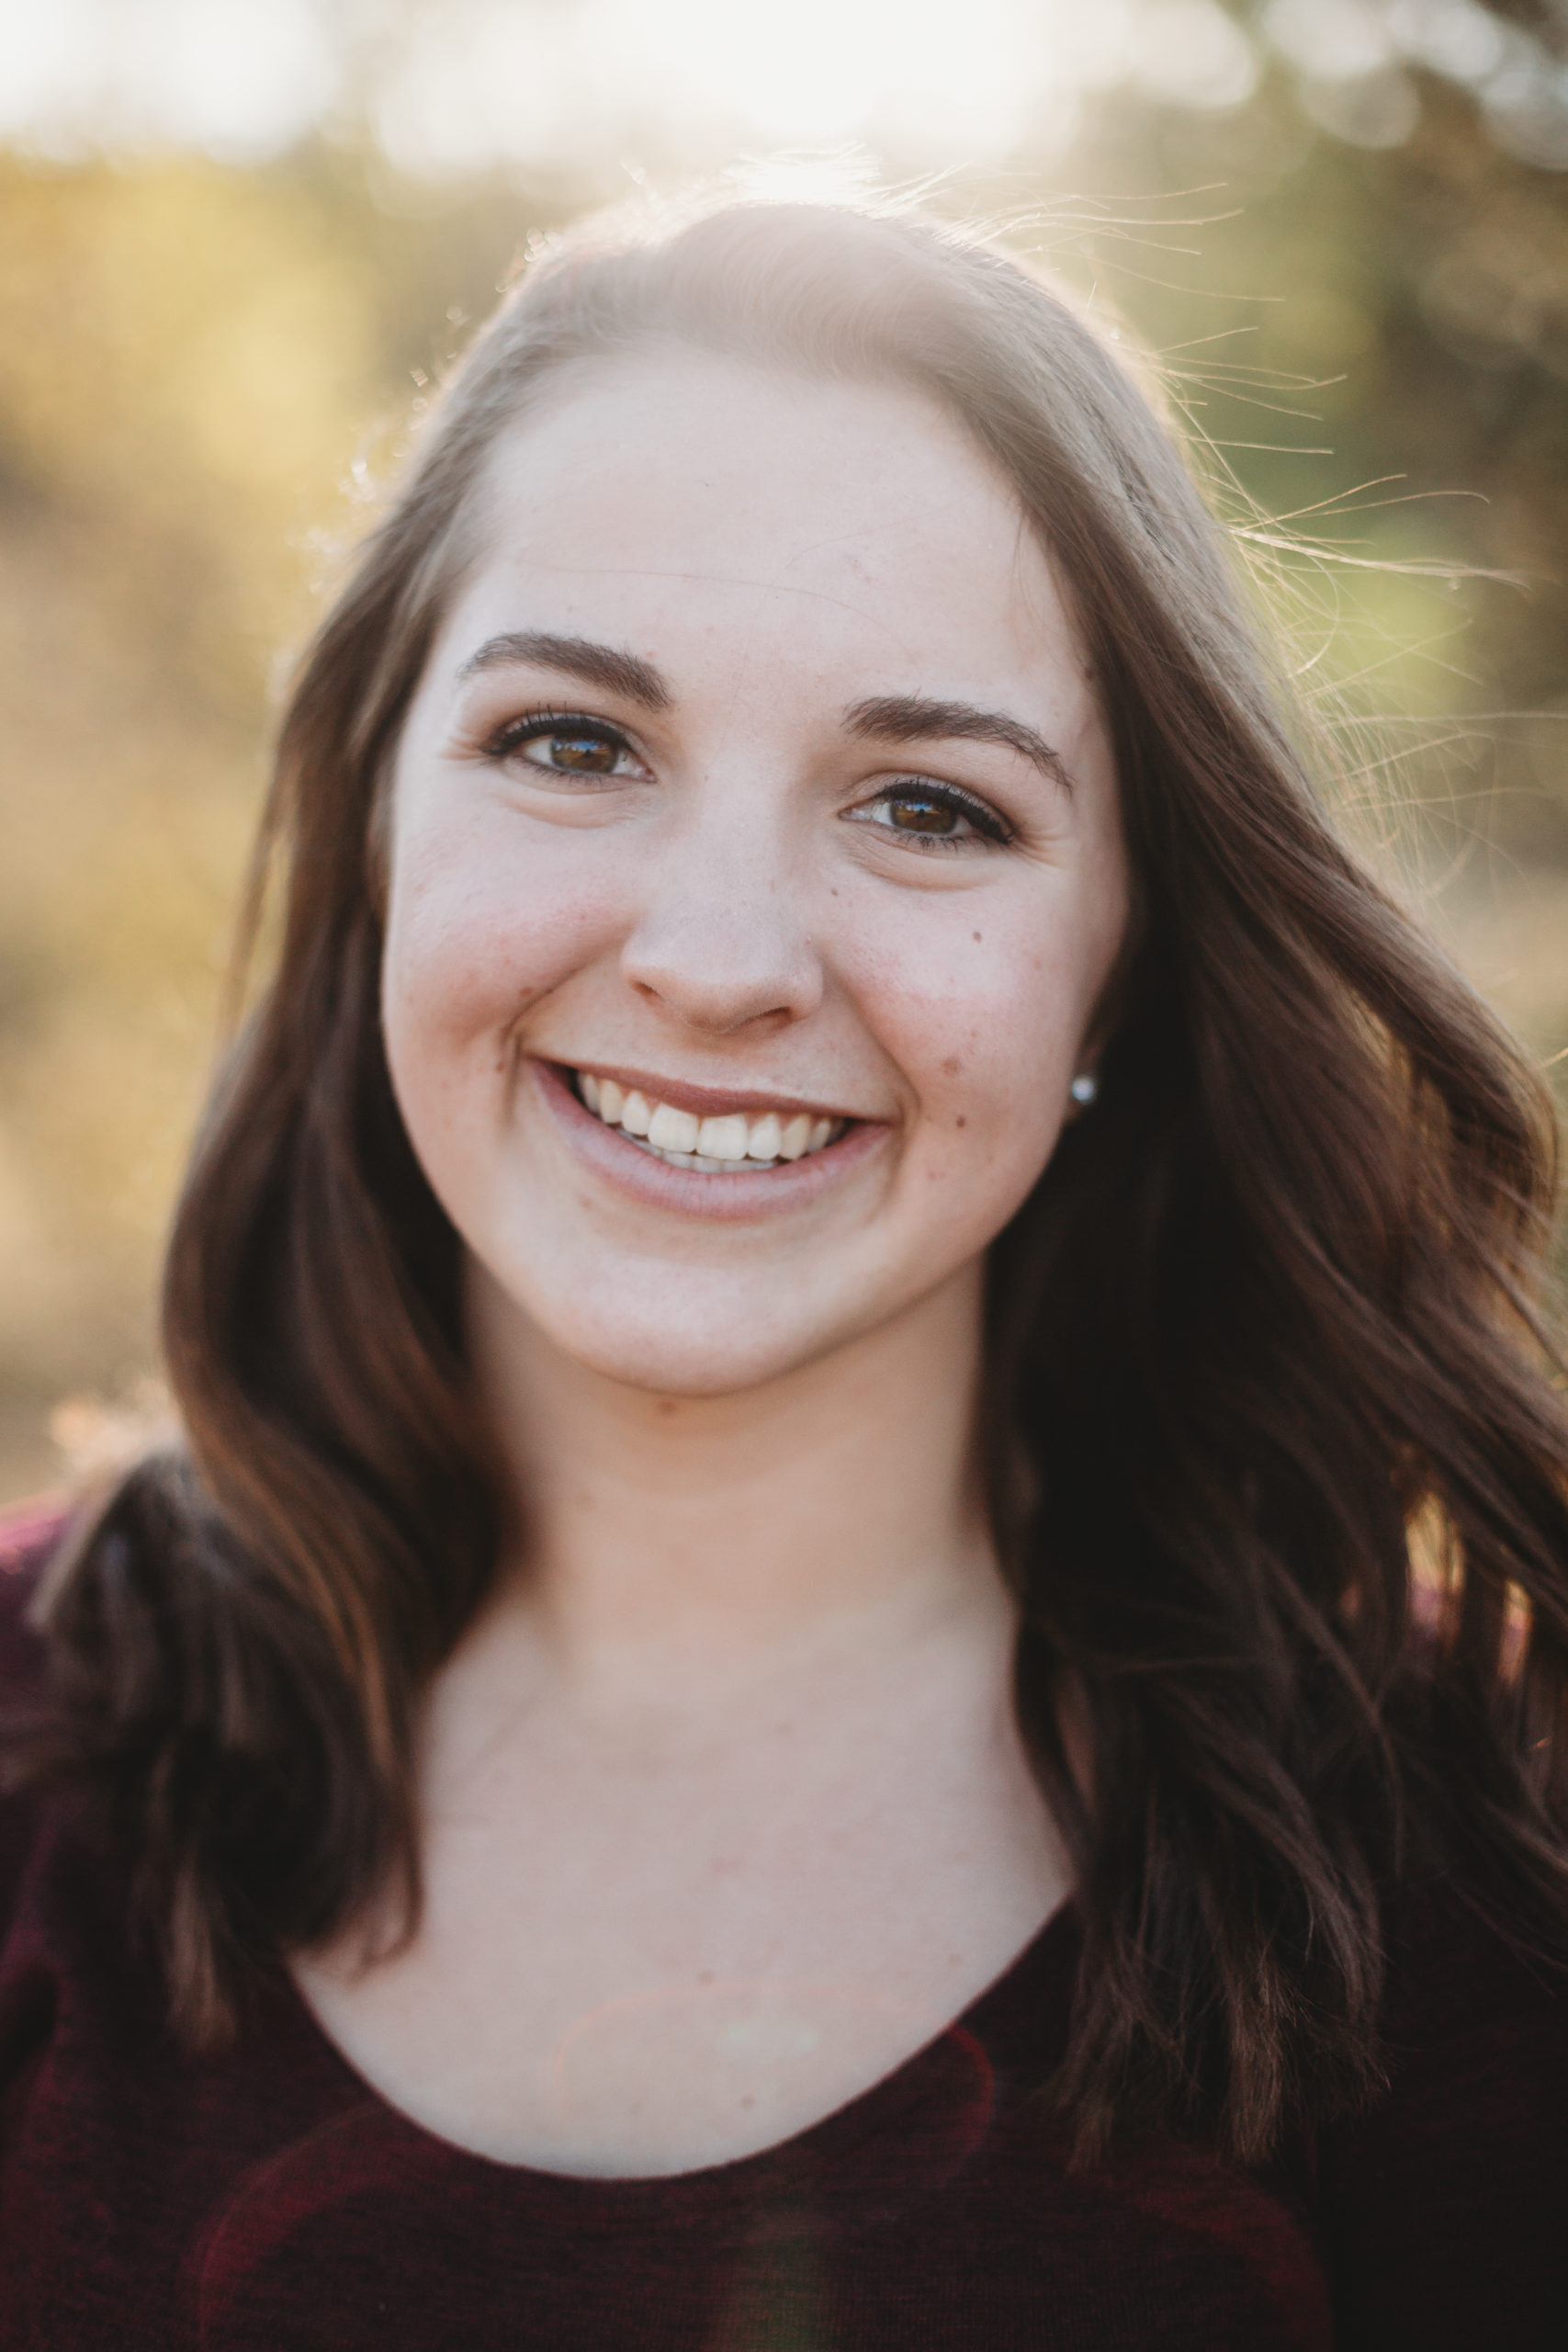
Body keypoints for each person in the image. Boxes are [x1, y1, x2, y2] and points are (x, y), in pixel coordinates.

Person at [1, 183, 1565, 2351]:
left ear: (1119, 967)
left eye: (929, 804)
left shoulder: (1478, 1859)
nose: (718, 961)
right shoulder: (29, 1750)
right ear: (376, 824)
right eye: (571, 743)